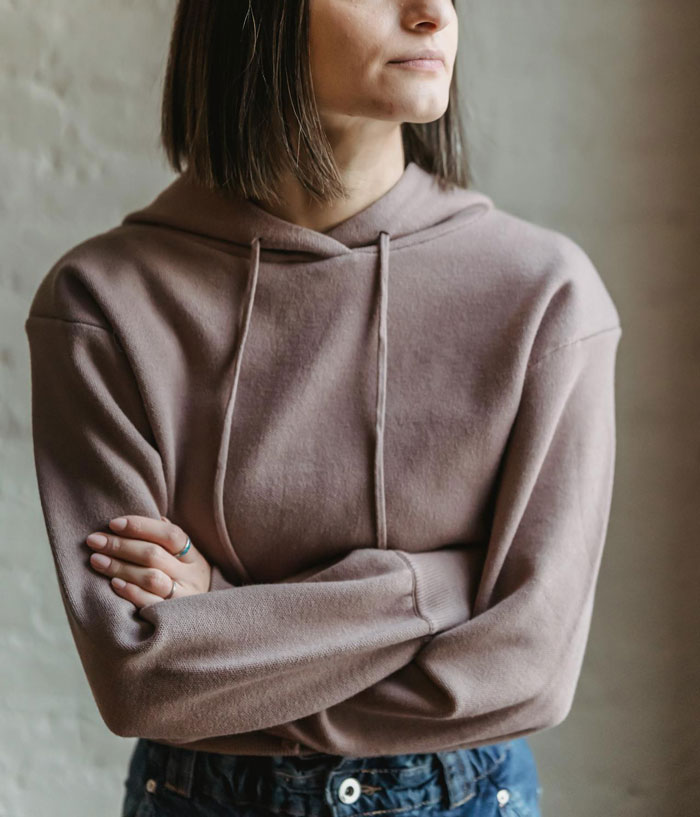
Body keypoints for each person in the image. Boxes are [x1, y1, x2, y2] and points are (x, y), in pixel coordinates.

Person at [24, 1, 622, 816]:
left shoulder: (545, 297)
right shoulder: (104, 304)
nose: (432, 13)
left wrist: (227, 622)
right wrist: (450, 586)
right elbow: (144, 680)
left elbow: (531, 668)